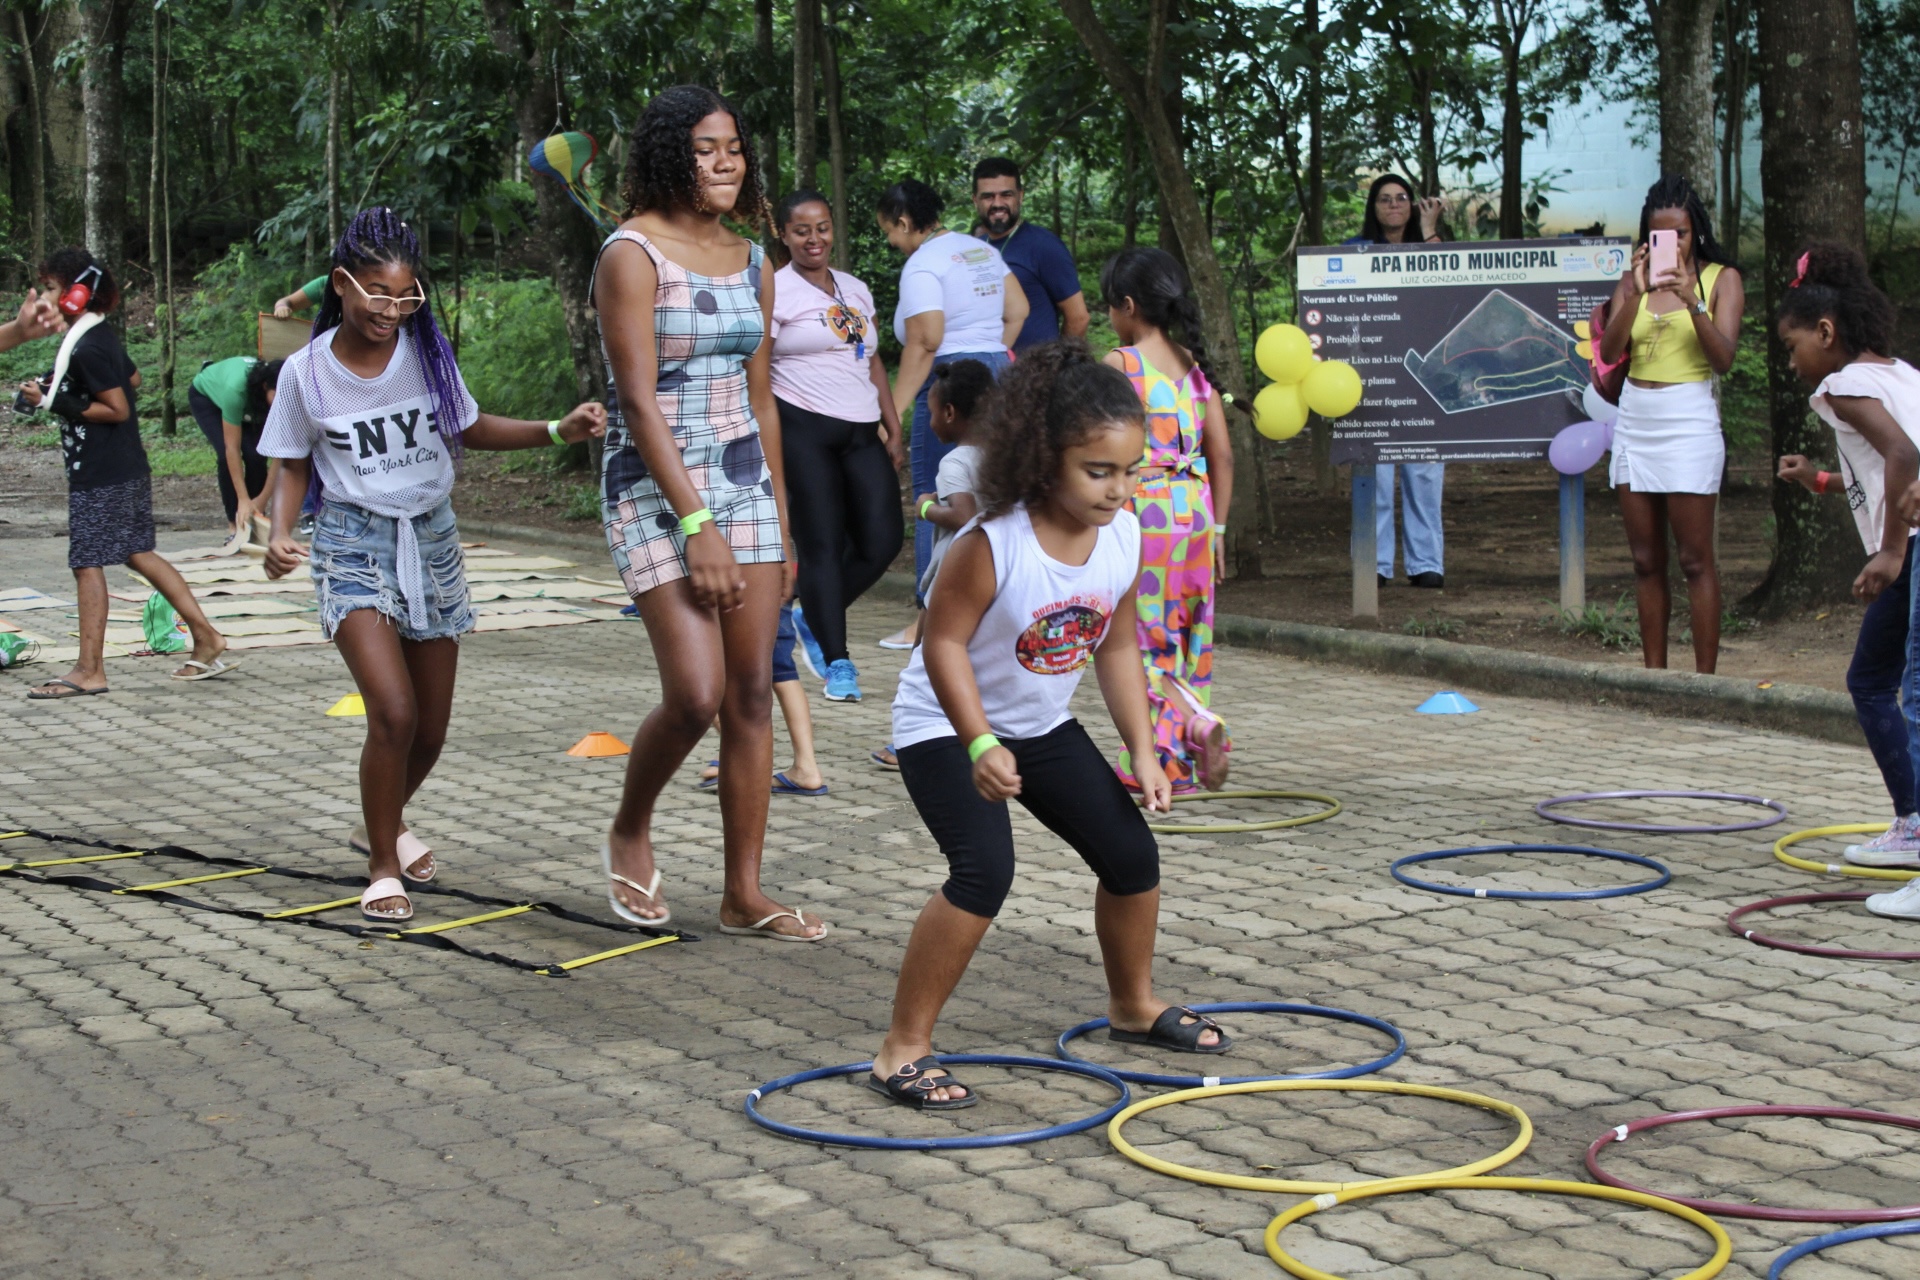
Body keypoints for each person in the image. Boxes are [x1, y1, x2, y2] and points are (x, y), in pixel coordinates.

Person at [869, 340, 1228, 1110]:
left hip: (1039, 722)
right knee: (984, 871)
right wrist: (979, 741)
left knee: (1131, 854)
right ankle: (902, 1046)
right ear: (1041, 458)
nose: (1117, 489)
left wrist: (1145, 749)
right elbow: (942, 644)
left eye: (1129, 470)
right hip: (944, 723)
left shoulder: (1123, 536)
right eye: (1098, 472)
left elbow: (1120, 643)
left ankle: (1131, 1005)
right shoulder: (993, 544)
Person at [260, 207, 606, 921]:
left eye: (406, 296)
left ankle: (379, 819)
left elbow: (467, 426)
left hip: (433, 539)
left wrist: (554, 430)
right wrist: (280, 531)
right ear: (341, 285)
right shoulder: (305, 374)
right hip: (354, 542)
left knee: (433, 729)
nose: (392, 310)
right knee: (391, 711)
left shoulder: (426, 354)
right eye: (378, 295)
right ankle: (382, 864)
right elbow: (291, 464)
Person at [593, 85, 826, 942]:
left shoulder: (755, 260)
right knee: (695, 696)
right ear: (668, 156)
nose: (725, 161)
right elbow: (639, 403)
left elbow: (763, 401)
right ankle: (630, 824)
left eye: (732, 146)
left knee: (753, 692)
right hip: (654, 486)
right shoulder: (631, 255)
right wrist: (699, 528)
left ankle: (743, 892)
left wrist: (782, 524)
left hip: (745, 482)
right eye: (704, 148)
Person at [16, 248, 234, 698]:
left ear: (77, 293)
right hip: (124, 464)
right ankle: (207, 636)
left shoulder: (90, 344)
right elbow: (130, 380)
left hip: (103, 471)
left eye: (53, 288)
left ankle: (89, 670)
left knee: (86, 562)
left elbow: (116, 407)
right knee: (137, 551)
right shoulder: (97, 335)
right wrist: (66, 387)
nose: (46, 298)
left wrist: (52, 401)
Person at [1775, 246, 1920, 914]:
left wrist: (1890, 554)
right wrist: (1821, 479)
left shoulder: (1840, 386)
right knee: (1870, 680)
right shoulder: (1899, 375)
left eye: (1792, 343)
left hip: (1913, 549)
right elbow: (1881, 467)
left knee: (1912, 697)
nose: (1791, 359)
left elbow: (1903, 454)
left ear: (1826, 331)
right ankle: (1913, 824)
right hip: (1912, 544)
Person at [1597, 173, 1744, 673]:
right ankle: (1654, 676)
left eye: (1680, 233)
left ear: (1695, 231)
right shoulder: (1631, 281)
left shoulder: (1721, 279)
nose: (1672, 244)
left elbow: (1723, 358)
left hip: (1688, 422)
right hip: (1636, 420)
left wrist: (1692, 301)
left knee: (1695, 560)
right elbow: (1612, 351)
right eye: (1660, 234)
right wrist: (1635, 292)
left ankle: (1706, 682)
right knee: (1645, 561)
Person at [1100, 247, 1234, 793]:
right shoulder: (1195, 366)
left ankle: (1196, 725)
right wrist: (1220, 530)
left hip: (1145, 516)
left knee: (1136, 639)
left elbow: (1100, 443)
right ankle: (1173, 762)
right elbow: (1222, 456)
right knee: (1186, 638)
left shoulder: (1121, 365)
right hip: (1197, 516)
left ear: (1128, 306)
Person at [875, 178, 1028, 650]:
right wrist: (993, 356)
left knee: (934, 495)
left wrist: (893, 414)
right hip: (999, 372)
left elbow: (925, 339)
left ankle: (930, 620)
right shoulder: (977, 248)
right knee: (999, 491)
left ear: (903, 222)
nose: (891, 242)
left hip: (950, 380)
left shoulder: (923, 264)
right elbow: (1018, 309)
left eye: (889, 232)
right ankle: (999, 610)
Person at [768, 188, 905, 703]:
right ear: (784, 235)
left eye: (822, 227)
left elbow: (869, 359)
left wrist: (892, 425)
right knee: (821, 545)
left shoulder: (854, 288)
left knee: (883, 539)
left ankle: (811, 617)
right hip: (802, 427)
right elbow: (757, 367)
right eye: (801, 230)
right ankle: (839, 662)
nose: (814, 238)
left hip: (860, 428)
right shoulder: (776, 290)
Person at [872, 359, 996, 773]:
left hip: (947, 579)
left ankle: (908, 739)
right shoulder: (1007, 455)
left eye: (928, 411)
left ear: (949, 413)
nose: (928, 420)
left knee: (923, 659)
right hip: (993, 578)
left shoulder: (956, 463)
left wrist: (925, 506)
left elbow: (963, 515)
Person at [1354, 173, 1449, 588]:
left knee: (1424, 473)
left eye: (1402, 198)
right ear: (1374, 207)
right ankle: (1374, 564)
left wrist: (1429, 231)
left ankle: (1425, 562)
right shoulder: (1354, 252)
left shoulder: (1428, 247)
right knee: (1374, 474)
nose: (1394, 205)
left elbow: (1449, 287)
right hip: (1371, 378)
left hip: (1424, 374)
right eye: (1385, 199)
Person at [700, 600, 828, 796]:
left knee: (708, 667)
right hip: (773, 582)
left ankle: (743, 757)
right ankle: (806, 766)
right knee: (783, 672)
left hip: (735, 584)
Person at [970, 157, 1089, 352]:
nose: (997, 203)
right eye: (988, 196)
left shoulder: (1044, 246)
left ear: (1020, 196)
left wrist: (1058, 368)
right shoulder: (974, 249)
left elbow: (1078, 318)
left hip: (1034, 376)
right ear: (975, 200)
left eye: (1006, 195)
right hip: (987, 372)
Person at [188, 356, 283, 540]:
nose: (283, 401)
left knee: (257, 456)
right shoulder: (236, 390)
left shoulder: (285, 400)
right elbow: (232, 449)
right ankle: (234, 525)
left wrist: (262, 499)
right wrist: (243, 499)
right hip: (209, 399)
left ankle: (254, 518)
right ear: (265, 386)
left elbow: (281, 454)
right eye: (279, 395)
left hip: (253, 402)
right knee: (225, 457)